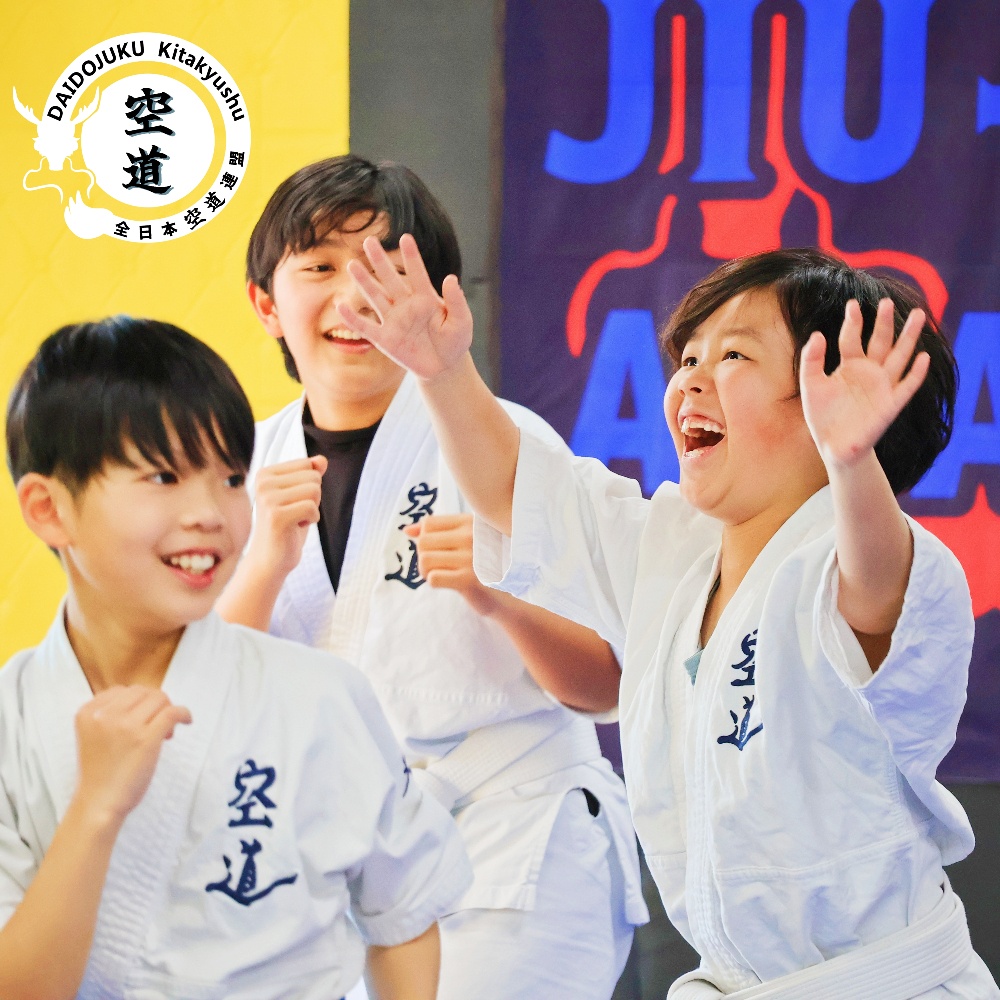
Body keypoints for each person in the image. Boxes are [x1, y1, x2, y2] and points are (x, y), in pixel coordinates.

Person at [337, 240, 1000, 998]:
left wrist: (853, 463)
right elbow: (515, 491)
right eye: (688, 358)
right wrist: (443, 370)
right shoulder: (669, 547)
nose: (690, 380)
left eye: (735, 356)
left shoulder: (874, 561)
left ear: (834, 391)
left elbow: (876, 594)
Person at [216, 154, 647, 1000]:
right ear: (266, 304)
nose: (354, 296)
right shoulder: (239, 472)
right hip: (338, 866)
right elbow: (197, 702)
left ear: (440, 297)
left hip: (515, 838)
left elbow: (604, 683)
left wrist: (499, 599)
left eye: (382, 265)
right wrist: (264, 562)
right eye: (319, 267)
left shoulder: (499, 442)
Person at [0, 316, 470, 1000]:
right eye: (164, 476)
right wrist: (95, 808)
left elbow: (402, 914)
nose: (211, 514)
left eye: (228, 478)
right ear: (48, 509)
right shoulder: (11, 721)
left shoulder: (320, 696)